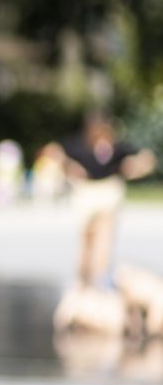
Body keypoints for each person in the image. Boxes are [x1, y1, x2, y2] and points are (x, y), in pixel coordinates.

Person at [48, 112, 157, 288]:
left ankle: (100, 283)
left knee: (104, 239)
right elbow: (52, 152)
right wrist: (69, 167)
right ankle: (84, 283)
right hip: (86, 192)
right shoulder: (78, 145)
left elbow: (146, 159)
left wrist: (133, 167)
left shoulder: (118, 147)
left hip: (108, 192)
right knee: (86, 240)